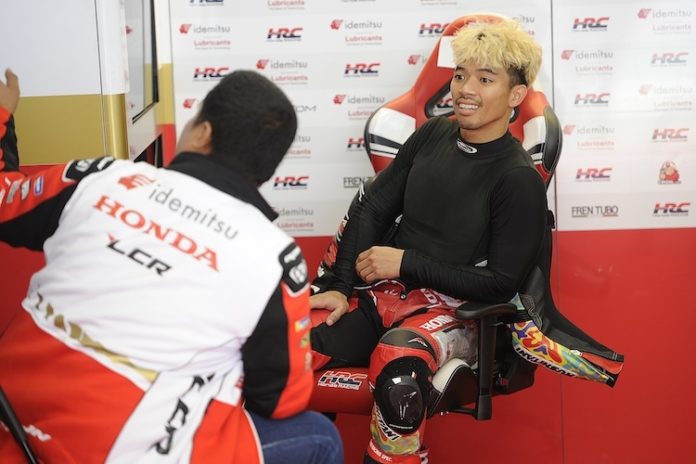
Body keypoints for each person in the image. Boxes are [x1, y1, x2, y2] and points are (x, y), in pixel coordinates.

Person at [0, 68, 343, 463]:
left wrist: (3, 116)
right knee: (319, 436)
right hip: (112, 454)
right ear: (267, 168)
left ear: (202, 133)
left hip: (11, 423)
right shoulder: (274, 259)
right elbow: (281, 401)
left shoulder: (99, 179)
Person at [310, 19, 547, 463]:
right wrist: (339, 287)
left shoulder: (518, 179)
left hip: (453, 313)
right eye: (459, 75)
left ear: (516, 95)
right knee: (283, 348)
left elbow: (501, 284)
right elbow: (372, 207)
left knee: (399, 371)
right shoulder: (432, 135)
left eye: (485, 79)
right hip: (382, 299)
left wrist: (406, 263)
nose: (465, 89)